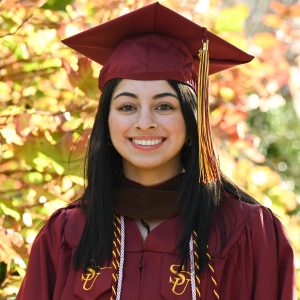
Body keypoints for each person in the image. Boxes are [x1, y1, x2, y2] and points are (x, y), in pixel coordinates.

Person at [17, 3, 296, 300]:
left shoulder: (248, 232)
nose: (145, 123)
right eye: (127, 107)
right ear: (106, 122)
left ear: (192, 121)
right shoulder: (66, 234)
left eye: (164, 106)